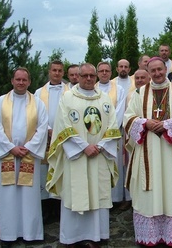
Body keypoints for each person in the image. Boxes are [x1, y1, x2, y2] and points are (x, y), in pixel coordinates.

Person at [46, 63, 121, 247]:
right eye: (85, 75)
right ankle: (72, 237)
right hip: (77, 158)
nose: (89, 79)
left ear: (96, 77)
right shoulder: (67, 98)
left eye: (91, 76)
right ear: (77, 77)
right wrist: (84, 147)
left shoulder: (104, 99)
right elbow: (63, 126)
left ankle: (97, 235)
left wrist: (101, 146)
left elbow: (113, 125)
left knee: (98, 193)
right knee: (75, 194)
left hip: (99, 157)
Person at [123, 57, 172, 246]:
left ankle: (171, 234)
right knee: (150, 190)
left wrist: (168, 125)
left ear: (165, 68)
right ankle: (149, 235)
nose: (157, 73)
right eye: (152, 70)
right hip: (148, 151)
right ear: (148, 72)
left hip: (171, 152)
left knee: (169, 187)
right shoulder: (140, 92)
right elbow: (128, 117)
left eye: (160, 69)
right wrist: (145, 123)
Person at [0, 67, 48, 246]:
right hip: (8, 155)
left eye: (24, 80)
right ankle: (9, 235)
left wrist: (28, 148)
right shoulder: (0, 102)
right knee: (9, 196)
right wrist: (10, 148)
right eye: (18, 79)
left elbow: (42, 128)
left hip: (28, 155)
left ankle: (30, 233)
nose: (21, 83)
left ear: (29, 82)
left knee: (29, 197)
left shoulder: (38, 103)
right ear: (12, 81)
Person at [34, 60, 69, 223]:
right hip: (45, 136)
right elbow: (35, 114)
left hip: (64, 136)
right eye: (54, 70)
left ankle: (59, 206)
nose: (57, 73)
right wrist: (47, 129)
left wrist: (60, 131)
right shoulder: (38, 92)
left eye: (60, 71)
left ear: (63, 73)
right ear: (49, 72)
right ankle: (46, 208)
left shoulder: (71, 90)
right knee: (44, 172)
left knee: (61, 169)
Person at [95, 61, 129, 210]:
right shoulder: (92, 88)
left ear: (110, 72)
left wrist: (108, 130)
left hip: (114, 135)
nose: (104, 73)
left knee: (116, 165)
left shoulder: (119, 89)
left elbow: (120, 111)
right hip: (94, 135)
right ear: (97, 73)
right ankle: (100, 197)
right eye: (101, 70)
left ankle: (116, 197)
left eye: (106, 70)